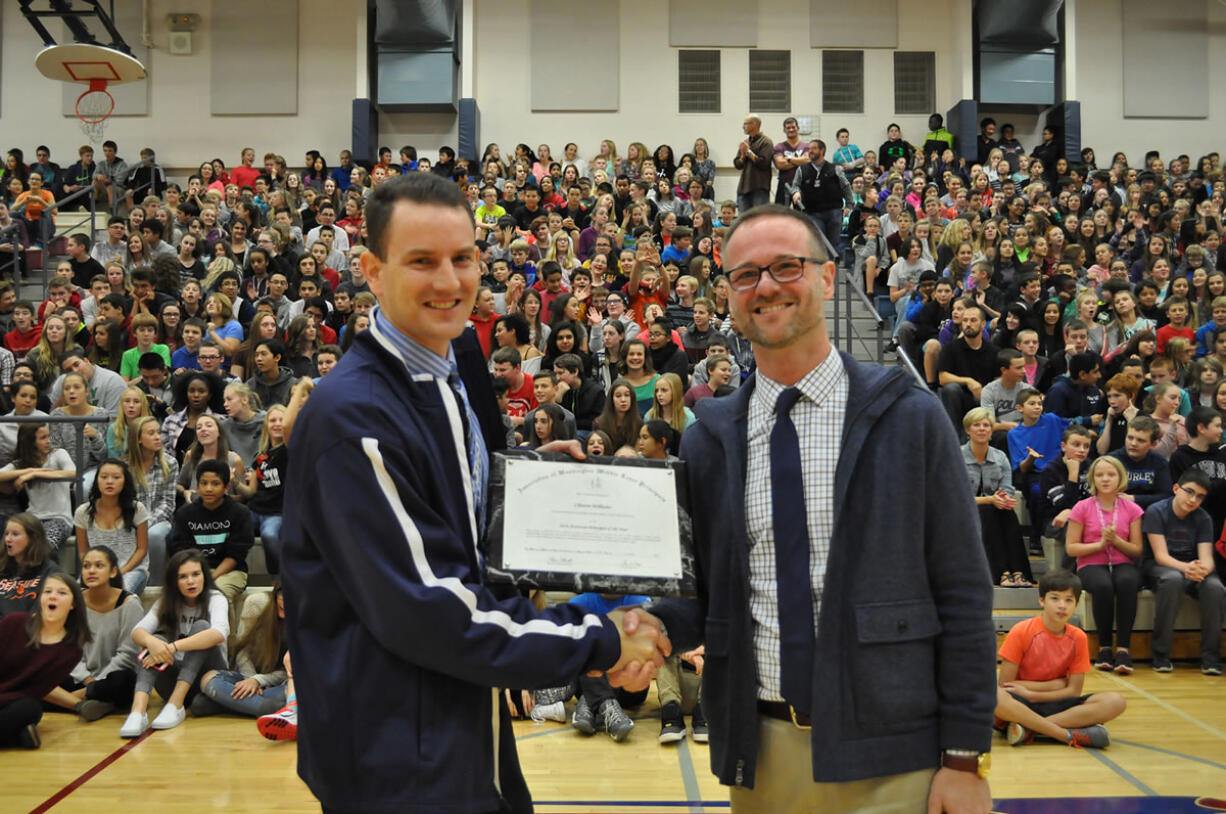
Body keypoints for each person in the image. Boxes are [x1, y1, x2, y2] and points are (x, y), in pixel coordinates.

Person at [281, 172, 668, 814]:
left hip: (452, 718)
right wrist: (599, 637)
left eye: (462, 258)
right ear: (372, 271)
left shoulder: (444, 368)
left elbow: (445, 502)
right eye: (422, 261)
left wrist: (521, 477)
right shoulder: (355, 417)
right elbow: (433, 609)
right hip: (395, 752)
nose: (448, 281)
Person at [647, 205, 995, 812]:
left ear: (829, 278)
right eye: (745, 275)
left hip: (894, 757)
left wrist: (964, 756)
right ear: (727, 294)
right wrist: (630, 636)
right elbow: (703, 593)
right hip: (759, 755)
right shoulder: (709, 438)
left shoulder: (910, 418)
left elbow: (964, 591)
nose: (766, 287)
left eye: (787, 266)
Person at [993, 569, 1125, 749]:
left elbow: (1074, 692)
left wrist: (1032, 692)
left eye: (1068, 600)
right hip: (1019, 706)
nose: (1062, 606)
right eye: (1055, 598)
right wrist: (1058, 683)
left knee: (1115, 701)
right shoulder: (1021, 631)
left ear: (1076, 604)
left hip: (1054, 703)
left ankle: (1029, 729)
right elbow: (1006, 685)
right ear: (1042, 600)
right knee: (995, 696)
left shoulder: (1078, 637)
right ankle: (1064, 735)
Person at [119, 549, 229, 736]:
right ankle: (138, 711)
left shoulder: (215, 599)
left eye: (196, 574)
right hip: (174, 676)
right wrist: (153, 643)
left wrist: (173, 647)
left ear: (204, 575)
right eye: (183, 577)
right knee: (155, 640)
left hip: (209, 675)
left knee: (202, 627)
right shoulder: (166, 602)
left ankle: (176, 704)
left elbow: (219, 633)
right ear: (174, 581)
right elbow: (137, 632)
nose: (191, 581)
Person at [1065, 455, 1145, 675]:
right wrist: (1100, 544)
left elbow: (1137, 550)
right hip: (1091, 563)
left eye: (1111, 474)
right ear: (1092, 479)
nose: (1105, 479)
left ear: (1120, 478)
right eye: (1099, 475)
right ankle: (1104, 647)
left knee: (1128, 581)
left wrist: (1116, 541)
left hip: (1122, 562)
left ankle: (1124, 650)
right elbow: (1071, 548)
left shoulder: (1132, 509)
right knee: (1102, 586)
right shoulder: (1082, 507)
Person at [1142, 470, 1225, 674]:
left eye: (1200, 496)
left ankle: (1211, 657)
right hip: (1159, 566)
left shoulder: (1203, 518)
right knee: (1173, 579)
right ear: (1176, 488)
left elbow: (1207, 557)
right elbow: (1160, 556)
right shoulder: (1156, 511)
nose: (1193, 499)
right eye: (1189, 492)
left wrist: (1202, 570)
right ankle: (1160, 654)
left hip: (1191, 567)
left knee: (1215, 587)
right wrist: (1187, 568)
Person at [0, 572, 89, 748]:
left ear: (73, 604)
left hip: (11, 703)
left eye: (62, 593)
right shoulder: (14, 622)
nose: (52, 596)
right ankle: (15, 738)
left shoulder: (71, 652)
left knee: (32, 709)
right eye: (47, 591)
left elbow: (35, 692)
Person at [963, 408, 1032, 588]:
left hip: (993, 510)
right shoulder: (956, 456)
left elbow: (1007, 489)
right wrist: (989, 500)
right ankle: (1001, 572)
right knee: (987, 509)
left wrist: (1005, 500)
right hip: (961, 514)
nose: (982, 429)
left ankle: (1018, 572)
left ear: (992, 430)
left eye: (986, 425)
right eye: (976, 425)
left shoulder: (1000, 457)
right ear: (967, 430)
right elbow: (955, 497)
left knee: (1007, 512)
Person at [73, 460, 150, 594]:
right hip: (96, 570)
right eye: (104, 477)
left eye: (116, 477)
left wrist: (118, 573)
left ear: (125, 480)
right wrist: (96, 570)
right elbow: (82, 551)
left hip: (131, 570)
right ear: (97, 480)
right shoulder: (83, 512)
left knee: (118, 593)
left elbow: (142, 550)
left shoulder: (137, 509)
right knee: (75, 596)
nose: (109, 481)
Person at [787, 139, 854, 258]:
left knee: (833, 246)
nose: (810, 151)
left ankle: (832, 272)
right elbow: (795, 185)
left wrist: (849, 205)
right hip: (813, 213)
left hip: (834, 212)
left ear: (822, 150)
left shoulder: (834, 169)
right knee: (819, 243)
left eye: (814, 148)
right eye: (809, 149)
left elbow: (846, 186)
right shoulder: (802, 169)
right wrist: (796, 192)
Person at [733, 115, 773, 213]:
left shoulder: (766, 142)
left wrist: (748, 152)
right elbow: (738, 165)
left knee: (760, 219)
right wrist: (742, 156)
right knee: (743, 220)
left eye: (745, 124)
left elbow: (764, 163)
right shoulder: (746, 142)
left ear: (754, 124)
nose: (743, 127)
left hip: (759, 188)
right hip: (743, 188)